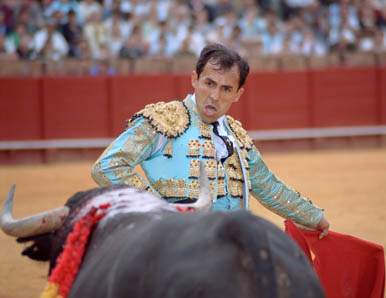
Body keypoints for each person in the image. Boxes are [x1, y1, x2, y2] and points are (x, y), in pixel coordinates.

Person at [91, 43, 330, 238]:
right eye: (209, 83)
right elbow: (108, 166)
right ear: (194, 79)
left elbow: (268, 187)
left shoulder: (237, 137)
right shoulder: (163, 121)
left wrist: (312, 216)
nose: (214, 96)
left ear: (238, 95)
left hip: (233, 243)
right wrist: (159, 208)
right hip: (175, 242)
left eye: (226, 89)